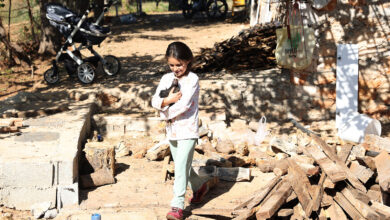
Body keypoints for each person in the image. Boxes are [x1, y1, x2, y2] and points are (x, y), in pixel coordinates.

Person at [151, 42, 217, 220]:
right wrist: (166, 101)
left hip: (187, 129)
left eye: (179, 65)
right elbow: (154, 100)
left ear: (188, 61)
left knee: (180, 167)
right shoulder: (166, 79)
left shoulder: (192, 79)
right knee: (184, 167)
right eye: (171, 65)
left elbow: (184, 105)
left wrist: (163, 111)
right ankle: (200, 186)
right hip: (172, 130)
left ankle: (177, 206)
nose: (175, 69)